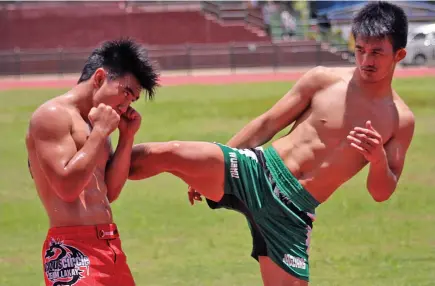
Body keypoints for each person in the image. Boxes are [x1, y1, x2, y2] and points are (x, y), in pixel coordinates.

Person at [128, 2, 415, 285]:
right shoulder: (323, 80)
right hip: (259, 171)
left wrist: (377, 159)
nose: (366, 61)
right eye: (360, 50)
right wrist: (218, 160)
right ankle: (98, 176)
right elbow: (268, 123)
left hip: (294, 213)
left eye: (377, 52)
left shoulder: (400, 120)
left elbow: (381, 192)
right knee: (167, 153)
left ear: (399, 55)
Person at [26, 39, 158, 286]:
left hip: (110, 247)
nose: (126, 105)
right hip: (71, 251)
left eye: (132, 100)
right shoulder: (52, 115)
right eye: (126, 92)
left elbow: (110, 192)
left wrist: (126, 137)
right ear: (99, 78)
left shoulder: (96, 122)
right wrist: (100, 132)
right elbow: (67, 189)